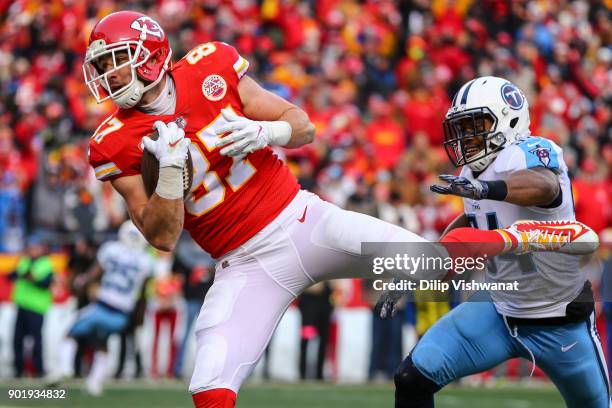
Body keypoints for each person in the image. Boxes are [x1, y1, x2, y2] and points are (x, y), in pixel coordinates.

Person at [83, 12, 598, 407]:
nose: (106, 74)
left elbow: (302, 125)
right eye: (101, 65)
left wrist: (269, 131)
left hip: (304, 219)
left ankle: (536, 284)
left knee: (428, 262)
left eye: (113, 60)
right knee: (210, 382)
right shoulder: (113, 141)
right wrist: (170, 176)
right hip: (244, 262)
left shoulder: (209, 66)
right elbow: (163, 235)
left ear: (149, 55)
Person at [381, 76, 610, 408]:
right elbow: (473, 223)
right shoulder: (471, 176)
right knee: (411, 379)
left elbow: (545, 187)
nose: (468, 136)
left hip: (558, 318)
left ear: (509, 117)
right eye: (462, 126)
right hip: (498, 310)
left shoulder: (529, 150)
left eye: (477, 123)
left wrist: (488, 189)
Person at [54, 220, 154, 395]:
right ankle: (94, 383)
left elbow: (92, 275)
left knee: (71, 333)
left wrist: (79, 283)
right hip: (122, 314)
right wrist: (138, 319)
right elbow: (142, 296)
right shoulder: (146, 260)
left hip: (103, 306)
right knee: (101, 342)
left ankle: (65, 367)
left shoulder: (111, 250)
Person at [9, 235, 54, 377]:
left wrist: (30, 278)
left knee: (36, 340)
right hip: (22, 306)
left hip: (36, 308)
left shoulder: (46, 264)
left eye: (36, 248)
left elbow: (45, 284)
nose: (33, 250)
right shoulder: (24, 261)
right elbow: (12, 275)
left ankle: (38, 369)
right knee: (17, 339)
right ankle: (18, 370)